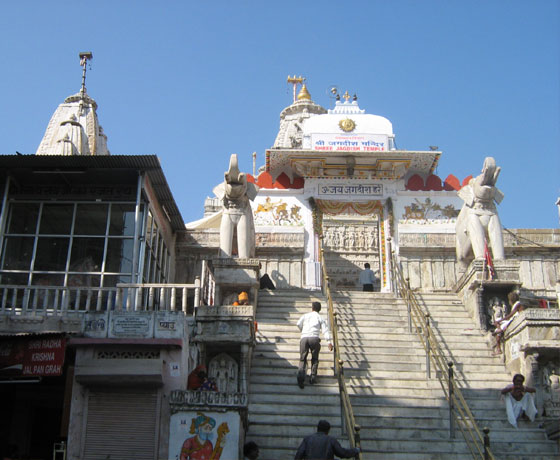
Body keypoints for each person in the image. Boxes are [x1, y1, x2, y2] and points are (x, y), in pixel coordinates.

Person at [296, 301, 333, 388]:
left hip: (304, 338)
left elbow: (298, 324)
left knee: (303, 359)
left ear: (312, 308)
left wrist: (303, 331)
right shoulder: (320, 317)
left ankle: (301, 378)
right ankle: (313, 377)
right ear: (319, 309)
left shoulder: (305, 315)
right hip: (314, 338)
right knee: (315, 359)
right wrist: (329, 342)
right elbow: (325, 330)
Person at [294, 420, 360, 460]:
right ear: (328, 431)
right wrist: (355, 450)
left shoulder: (307, 439)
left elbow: (299, 455)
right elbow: (342, 453)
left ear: (317, 429)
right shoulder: (331, 440)